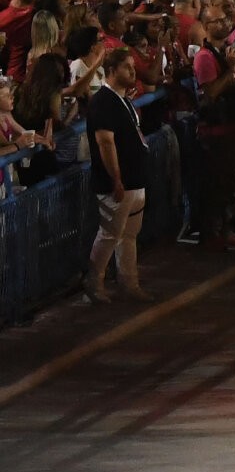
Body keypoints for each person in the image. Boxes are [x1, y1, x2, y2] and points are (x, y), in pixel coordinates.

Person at [80, 47, 152, 303]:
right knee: (110, 234)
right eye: (127, 67)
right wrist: (116, 179)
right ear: (111, 70)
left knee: (129, 235)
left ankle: (129, 282)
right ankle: (94, 282)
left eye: (132, 66)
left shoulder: (122, 100)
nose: (133, 71)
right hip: (117, 183)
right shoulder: (103, 102)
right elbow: (105, 143)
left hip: (134, 179)